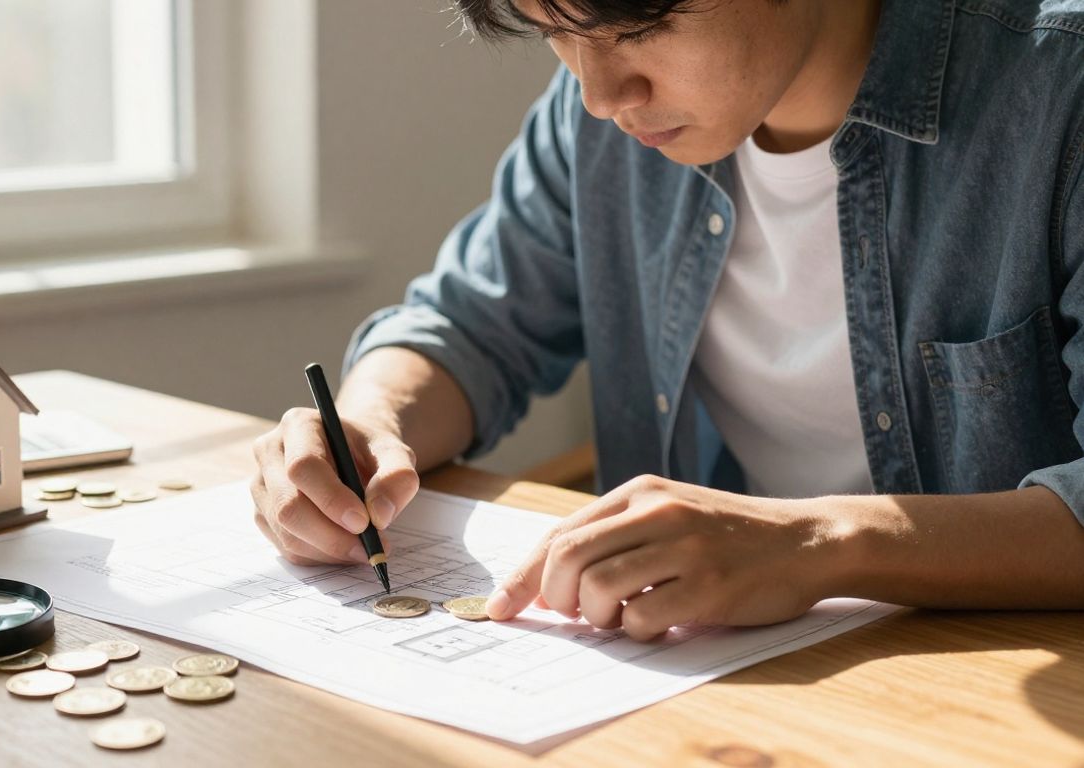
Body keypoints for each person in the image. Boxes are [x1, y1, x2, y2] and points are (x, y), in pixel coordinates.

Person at [250, 0, 1084, 641]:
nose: (601, 93)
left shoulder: (1061, 93)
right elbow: (467, 327)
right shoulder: (596, 120)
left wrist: (822, 542)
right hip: (735, 684)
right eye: (553, 29)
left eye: (634, 26)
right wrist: (367, 425)